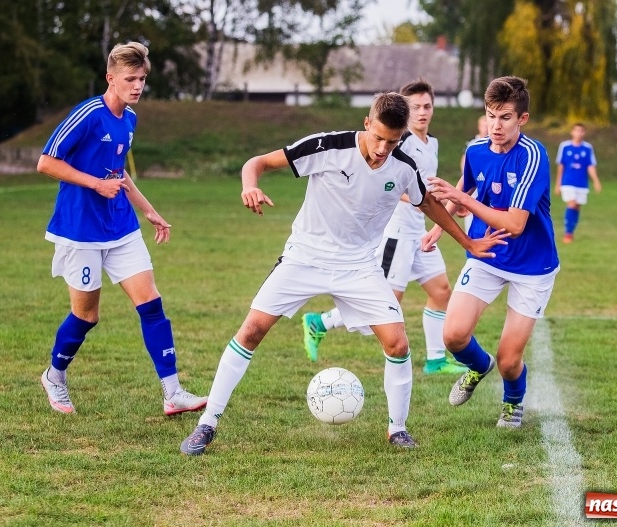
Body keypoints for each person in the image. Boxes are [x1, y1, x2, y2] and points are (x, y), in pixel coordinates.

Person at [180, 92, 508, 455]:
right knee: (252, 330)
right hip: (304, 257)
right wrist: (249, 185)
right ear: (367, 123)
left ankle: (397, 430)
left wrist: (467, 242)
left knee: (397, 343)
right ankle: (207, 423)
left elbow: (427, 202)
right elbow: (257, 162)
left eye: (393, 141)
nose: (384, 148)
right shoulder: (327, 146)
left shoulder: (402, 166)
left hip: (359, 267)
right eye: (379, 137)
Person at [37, 42, 207, 416]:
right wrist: (95, 184)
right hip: (80, 229)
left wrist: (150, 211)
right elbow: (46, 163)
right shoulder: (87, 114)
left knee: (151, 304)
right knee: (87, 316)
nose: (137, 86)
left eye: (142, 79)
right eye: (130, 79)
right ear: (110, 78)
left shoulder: (129, 119)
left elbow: (119, 174)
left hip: (120, 227)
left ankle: (173, 392)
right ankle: (54, 375)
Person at [301, 79, 467, 375]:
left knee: (441, 291)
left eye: (427, 106)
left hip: (420, 233)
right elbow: (394, 185)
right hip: (397, 234)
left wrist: (447, 200)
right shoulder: (397, 143)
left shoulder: (433, 143)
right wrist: (419, 197)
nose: (422, 112)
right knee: (384, 307)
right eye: (415, 107)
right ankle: (320, 322)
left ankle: (435, 360)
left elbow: (425, 189)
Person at [424, 76, 559, 429]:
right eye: (491, 115)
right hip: (486, 253)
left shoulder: (533, 156)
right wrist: (439, 226)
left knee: (509, 360)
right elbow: (466, 186)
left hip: (532, 264)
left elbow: (515, 224)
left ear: (522, 119)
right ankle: (477, 366)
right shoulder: (476, 150)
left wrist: (464, 201)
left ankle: (512, 403)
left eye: (505, 118)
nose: (496, 126)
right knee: (452, 336)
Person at [554, 122, 602, 243]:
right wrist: (557, 184)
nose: (579, 133)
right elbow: (561, 166)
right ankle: (568, 234)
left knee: (577, 207)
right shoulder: (564, 146)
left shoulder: (587, 148)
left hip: (581, 183)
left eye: (581, 131)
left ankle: (571, 230)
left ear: (584, 133)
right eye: (576, 130)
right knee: (572, 204)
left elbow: (590, 166)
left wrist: (596, 181)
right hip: (567, 182)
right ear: (572, 132)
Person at [458, 114, 489, 233]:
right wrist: (468, 177)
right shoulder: (472, 143)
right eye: (484, 125)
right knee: (470, 209)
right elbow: (464, 160)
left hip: (488, 185)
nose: (486, 128)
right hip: (475, 184)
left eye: (488, 125)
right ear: (479, 126)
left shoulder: (496, 143)